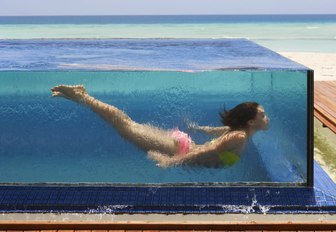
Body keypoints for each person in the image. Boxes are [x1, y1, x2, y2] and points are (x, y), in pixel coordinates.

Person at [51, 85, 269, 168]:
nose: (266, 118)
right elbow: (208, 151)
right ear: (250, 122)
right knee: (125, 125)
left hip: (183, 146)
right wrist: (172, 161)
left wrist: (197, 128)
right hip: (179, 150)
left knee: (128, 125)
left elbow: (215, 132)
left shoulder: (238, 132)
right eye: (262, 114)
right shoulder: (240, 137)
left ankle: (83, 96)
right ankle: (83, 97)